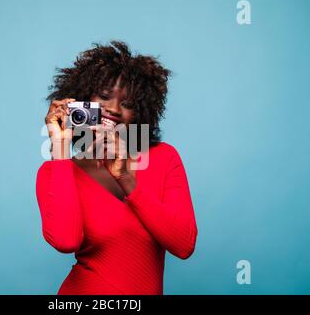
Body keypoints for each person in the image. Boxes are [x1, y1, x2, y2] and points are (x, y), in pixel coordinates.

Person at [36, 41, 198, 295]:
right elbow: (66, 240)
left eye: (128, 103)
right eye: (103, 96)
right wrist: (60, 146)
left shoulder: (164, 158)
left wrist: (126, 179)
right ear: (81, 101)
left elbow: (184, 245)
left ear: (142, 112)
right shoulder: (55, 171)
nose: (113, 108)